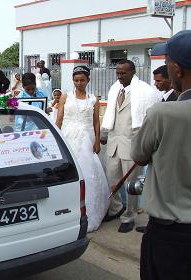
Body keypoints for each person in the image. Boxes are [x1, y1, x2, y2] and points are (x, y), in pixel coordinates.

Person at [130, 30, 191, 280]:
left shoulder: (163, 114)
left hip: (172, 236)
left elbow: (138, 155)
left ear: (176, 70)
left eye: (166, 64)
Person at [101, 59, 160, 233]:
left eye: (123, 73)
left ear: (133, 72)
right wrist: (104, 135)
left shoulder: (145, 92)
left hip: (132, 145)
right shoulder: (114, 89)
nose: (119, 76)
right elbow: (110, 116)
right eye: (117, 72)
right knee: (112, 179)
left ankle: (130, 216)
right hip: (113, 144)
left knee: (131, 184)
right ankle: (116, 208)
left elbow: (150, 121)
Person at [55, 66, 109, 232]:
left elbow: (96, 122)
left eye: (82, 80)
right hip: (67, 137)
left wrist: (98, 141)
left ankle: (89, 212)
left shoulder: (93, 99)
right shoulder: (65, 97)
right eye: (76, 80)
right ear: (73, 81)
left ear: (88, 80)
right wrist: (55, 138)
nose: (79, 83)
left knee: (87, 173)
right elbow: (60, 118)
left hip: (86, 139)